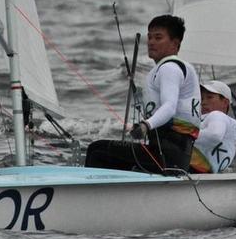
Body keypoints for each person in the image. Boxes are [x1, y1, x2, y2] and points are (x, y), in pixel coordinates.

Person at [85, 14, 202, 174]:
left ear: (175, 43)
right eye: (150, 37)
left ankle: (94, 197)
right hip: (174, 155)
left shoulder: (170, 68)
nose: (151, 42)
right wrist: (138, 127)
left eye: (158, 37)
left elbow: (169, 107)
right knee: (113, 154)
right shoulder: (175, 67)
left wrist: (146, 125)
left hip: (167, 156)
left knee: (96, 150)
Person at [190, 80, 236, 173]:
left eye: (209, 97)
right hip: (207, 172)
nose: (203, 102)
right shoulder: (225, 121)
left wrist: (183, 136)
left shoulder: (217, 115)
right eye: (202, 98)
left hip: (196, 171)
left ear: (225, 102)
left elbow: (214, 135)